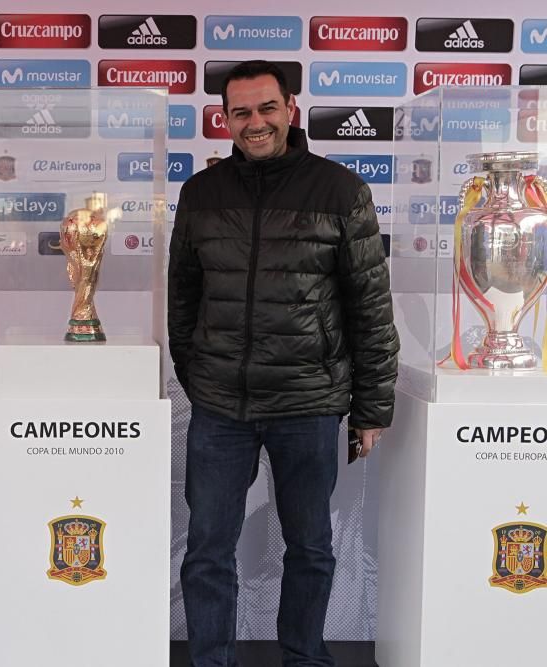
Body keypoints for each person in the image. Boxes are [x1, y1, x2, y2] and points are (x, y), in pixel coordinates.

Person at [167, 60, 399, 667]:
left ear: (290, 109)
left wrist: (371, 407)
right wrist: (208, 379)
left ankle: (304, 658)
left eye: (266, 108)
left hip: (310, 405)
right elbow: (183, 301)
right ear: (225, 119)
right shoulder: (201, 194)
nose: (255, 122)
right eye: (240, 112)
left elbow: (370, 306)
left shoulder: (340, 190)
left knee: (311, 549)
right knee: (208, 552)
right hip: (222, 409)